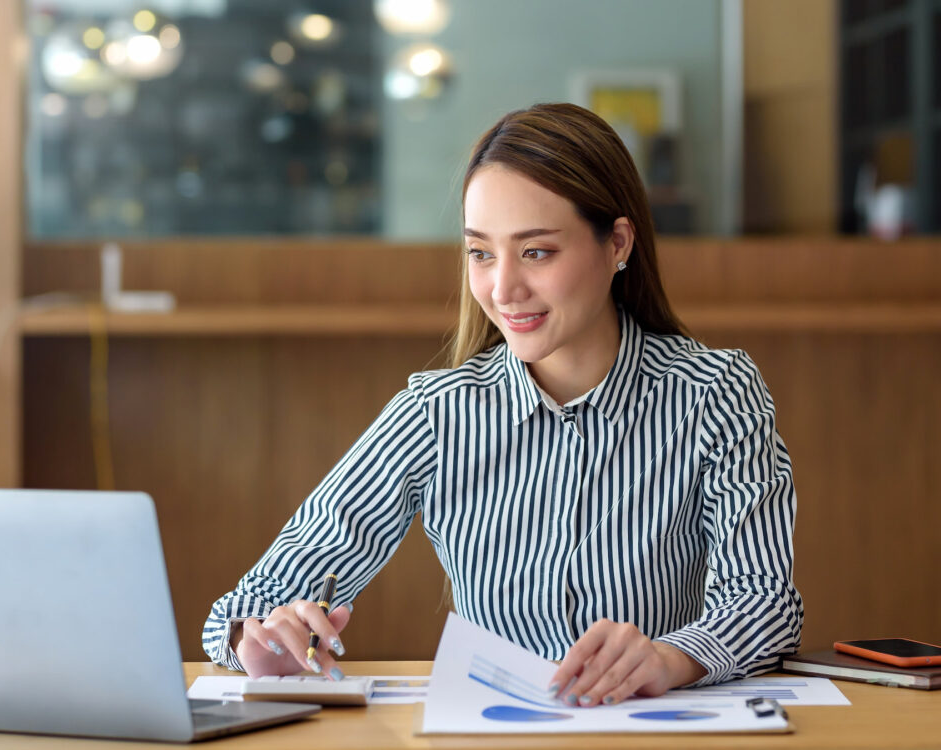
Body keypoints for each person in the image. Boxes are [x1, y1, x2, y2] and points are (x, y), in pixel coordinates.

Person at [203, 102, 803, 707]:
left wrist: (668, 659)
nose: (503, 288)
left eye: (537, 252)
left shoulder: (715, 393)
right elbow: (244, 609)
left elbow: (764, 602)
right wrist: (258, 638)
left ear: (617, 243)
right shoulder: (435, 414)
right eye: (481, 253)